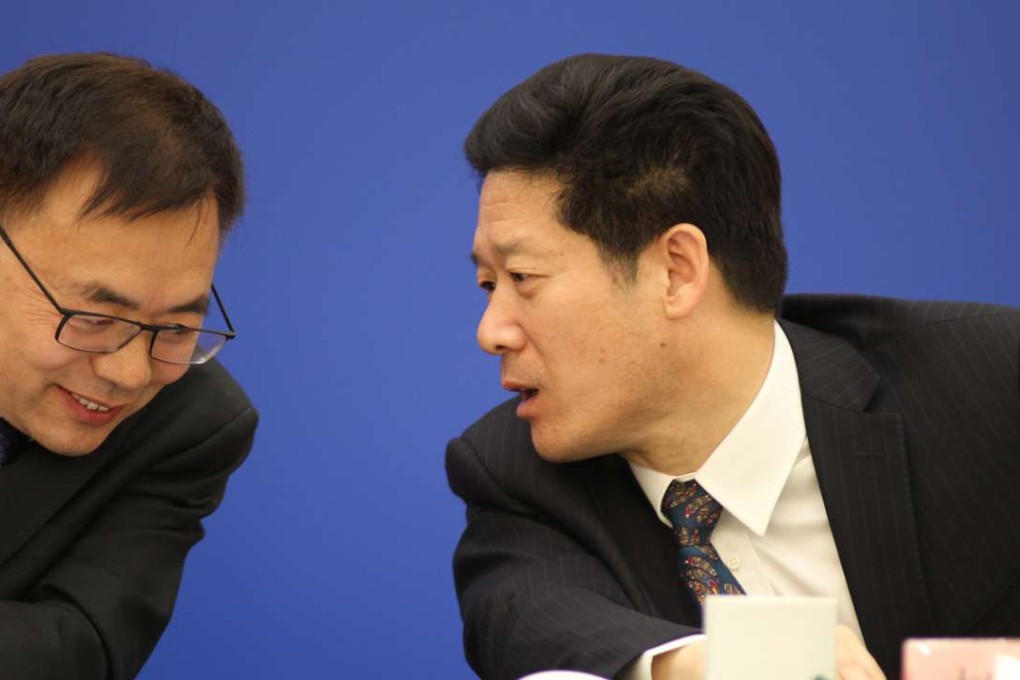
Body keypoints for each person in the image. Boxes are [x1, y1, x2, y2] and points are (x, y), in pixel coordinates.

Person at [446, 53, 1020, 680]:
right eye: (486, 283)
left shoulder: (988, 382)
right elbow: (531, 626)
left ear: (676, 271)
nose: (490, 332)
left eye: (522, 277)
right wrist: (710, 664)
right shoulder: (514, 474)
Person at [0, 53, 257, 678]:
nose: (130, 373)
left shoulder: (193, 422)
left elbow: (79, 649)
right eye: (91, 317)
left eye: (175, 327)